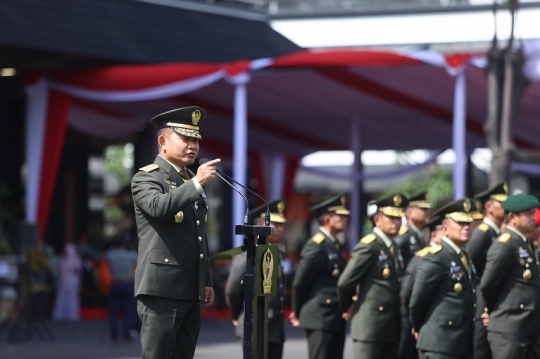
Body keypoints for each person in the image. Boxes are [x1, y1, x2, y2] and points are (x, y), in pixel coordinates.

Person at [131, 106, 220, 359]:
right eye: (185, 138)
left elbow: (198, 235)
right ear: (163, 142)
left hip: (191, 289)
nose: (192, 146)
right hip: (162, 290)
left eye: (196, 140)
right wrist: (196, 183)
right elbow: (159, 208)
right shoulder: (146, 178)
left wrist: (207, 280)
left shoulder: (190, 181)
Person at [338, 193, 408, 359]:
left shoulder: (393, 247)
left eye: (399, 218)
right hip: (370, 328)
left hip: (390, 327)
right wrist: (349, 305)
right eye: (391, 218)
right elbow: (345, 282)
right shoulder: (370, 246)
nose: (396, 223)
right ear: (377, 220)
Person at [409, 198, 479, 359]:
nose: (466, 227)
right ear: (445, 229)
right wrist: (419, 326)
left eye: (468, 223)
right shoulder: (436, 258)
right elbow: (417, 300)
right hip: (440, 342)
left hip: (460, 342)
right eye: (460, 223)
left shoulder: (464, 256)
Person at [225, 200, 288, 359]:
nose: (279, 229)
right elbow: (232, 289)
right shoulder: (249, 254)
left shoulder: (275, 253)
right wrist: (237, 313)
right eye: (275, 224)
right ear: (261, 224)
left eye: (282, 225)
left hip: (273, 328)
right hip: (255, 325)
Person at [290, 193, 349, 359]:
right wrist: (296, 309)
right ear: (327, 219)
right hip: (320, 315)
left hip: (334, 314)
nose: (345, 219)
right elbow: (300, 281)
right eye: (340, 216)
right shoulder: (317, 245)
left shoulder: (335, 243)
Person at [480, 193, 540, 359]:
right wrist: (493, 310)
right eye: (528, 214)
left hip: (527, 326)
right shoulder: (505, 245)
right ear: (512, 217)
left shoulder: (525, 243)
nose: (533, 218)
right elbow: (488, 285)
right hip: (509, 328)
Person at [465, 182, 507, 359]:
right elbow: (469, 265)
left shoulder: (495, 233)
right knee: (481, 348)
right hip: (481, 299)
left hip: (491, 299)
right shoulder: (483, 233)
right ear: (489, 206)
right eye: (501, 203)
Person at [399, 215, 443, 359]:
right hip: (421, 325)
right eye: (444, 230)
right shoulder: (422, 258)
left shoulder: (454, 257)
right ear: (434, 235)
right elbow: (407, 294)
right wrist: (414, 323)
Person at [104, 232, 138, 344]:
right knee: (129, 311)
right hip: (128, 283)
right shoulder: (131, 255)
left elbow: (104, 259)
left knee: (113, 312)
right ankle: (127, 336)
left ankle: (114, 337)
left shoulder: (109, 254)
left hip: (115, 283)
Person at [395, 191, 431, 267]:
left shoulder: (422, 234)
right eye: (423, 209)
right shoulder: (404, 236)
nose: (427, 212)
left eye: (427, 209)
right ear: (408, 212)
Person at [52, 242, 83, 321]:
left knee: (72, 298)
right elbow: (57, 268)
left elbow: (78, 271)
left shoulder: (75, 259)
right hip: (63, 280)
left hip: (72, 281)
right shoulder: (62, 259)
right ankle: (60, 314)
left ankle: (72, 315)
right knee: (61, 297)